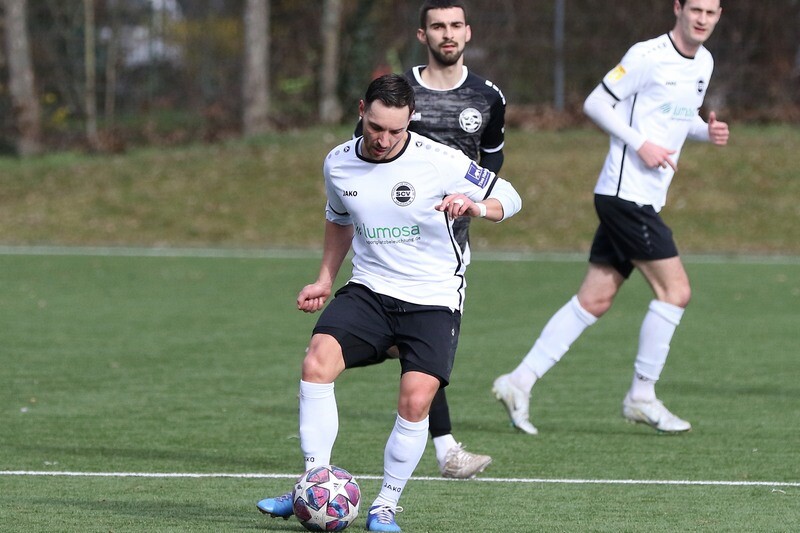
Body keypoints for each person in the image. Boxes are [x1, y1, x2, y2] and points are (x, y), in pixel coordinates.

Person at [257, 73, 521, 532]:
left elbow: (510, 197)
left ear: (410, 120)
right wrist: (325, 278)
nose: (383, 139)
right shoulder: (338, 162)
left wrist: (476, 206)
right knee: (317, 362)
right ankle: (313, 484)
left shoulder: (440, 160)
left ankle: (385, 505)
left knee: (416, 400)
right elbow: (339, 219)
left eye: (395, 130)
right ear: (362, 111)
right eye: (376, 127)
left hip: (433, 296)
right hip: (370, 289)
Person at [493, 0, 729, 435]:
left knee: (595, 299)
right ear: (678, 8)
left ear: (718, 15)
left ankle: (518, 381)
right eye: (695, 9)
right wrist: (640, 144)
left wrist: (706, 131)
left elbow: (677, 118)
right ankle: (642, 396)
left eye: (710, 12)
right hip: (624, 196)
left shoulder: (705, 62)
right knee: (676, 291)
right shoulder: (646, 55)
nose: (702, 19)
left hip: (644, 199)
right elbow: (596, 103)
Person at [354, 0, 506, 480]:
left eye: (456, 25)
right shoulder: (398, 94)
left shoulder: (487, 96)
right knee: (420, 346)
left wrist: (472, 200)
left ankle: (358, 349)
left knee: (416, 345)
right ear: (422, 35)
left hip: (448, 245)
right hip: (394, 244)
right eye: (438, 26)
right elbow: (363, 154)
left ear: (468, 32)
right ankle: (446, 449)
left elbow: (492, 162)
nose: (448, 33)